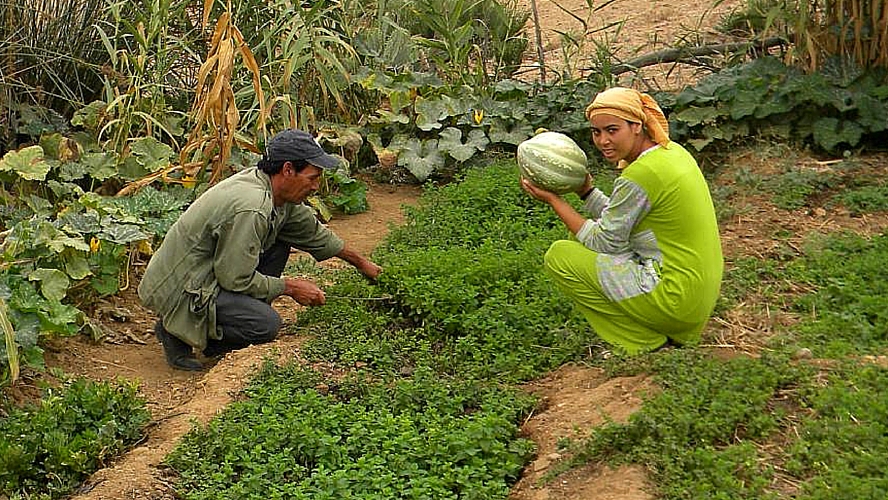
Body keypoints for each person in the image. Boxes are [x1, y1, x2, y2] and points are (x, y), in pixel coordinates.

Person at [138, 129, 382, 370]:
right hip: (179, 290)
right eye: (312, 177)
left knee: (279, 243)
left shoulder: (277, 193)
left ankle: (219, 324)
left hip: (205, 274)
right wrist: (291, 287)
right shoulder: (252, 206)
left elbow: (316, 235)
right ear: (288, 170)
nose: (316, 186)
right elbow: (235, 279)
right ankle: (177, 331)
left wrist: (362, 264)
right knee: (265, 325)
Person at [520, 87, 723, 355]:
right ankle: (664, 331)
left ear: (636, 125)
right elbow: (620, 221)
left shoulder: (640, 175)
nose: (603, 140)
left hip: (674, 299)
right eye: (596, 132)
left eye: (612, 130)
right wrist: (585, 191)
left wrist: (554, 200)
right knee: (579, 240)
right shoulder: (670, 153)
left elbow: (604, 241)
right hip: (695, 297)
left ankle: (644, 343)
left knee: (561, 256)